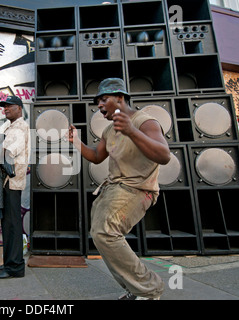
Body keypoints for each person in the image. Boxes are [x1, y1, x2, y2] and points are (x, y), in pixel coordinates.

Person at [67, 78, 170, 300]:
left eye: (104, 100)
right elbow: (96, 157)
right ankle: (136, 288)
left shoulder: (145, 122)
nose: (100, 106)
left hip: (138, 189)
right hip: (114, 189)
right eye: (98, 102)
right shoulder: (109, 130)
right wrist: (76, 142)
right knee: (100, 235)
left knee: (105, 232)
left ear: (120, 98)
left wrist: (132, 131)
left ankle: (149, 289)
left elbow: (164, 155)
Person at [0, 95, 30, 279]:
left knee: (13, 225)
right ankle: (9, 262)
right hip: (7, 182)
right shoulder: (12, 127)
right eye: (4, 106)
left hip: (11, 182)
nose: (5, 109)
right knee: (7, 224)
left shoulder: (19, 128)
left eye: (9, 106)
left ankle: (15, 267)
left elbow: (5, 153)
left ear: (19, 108)